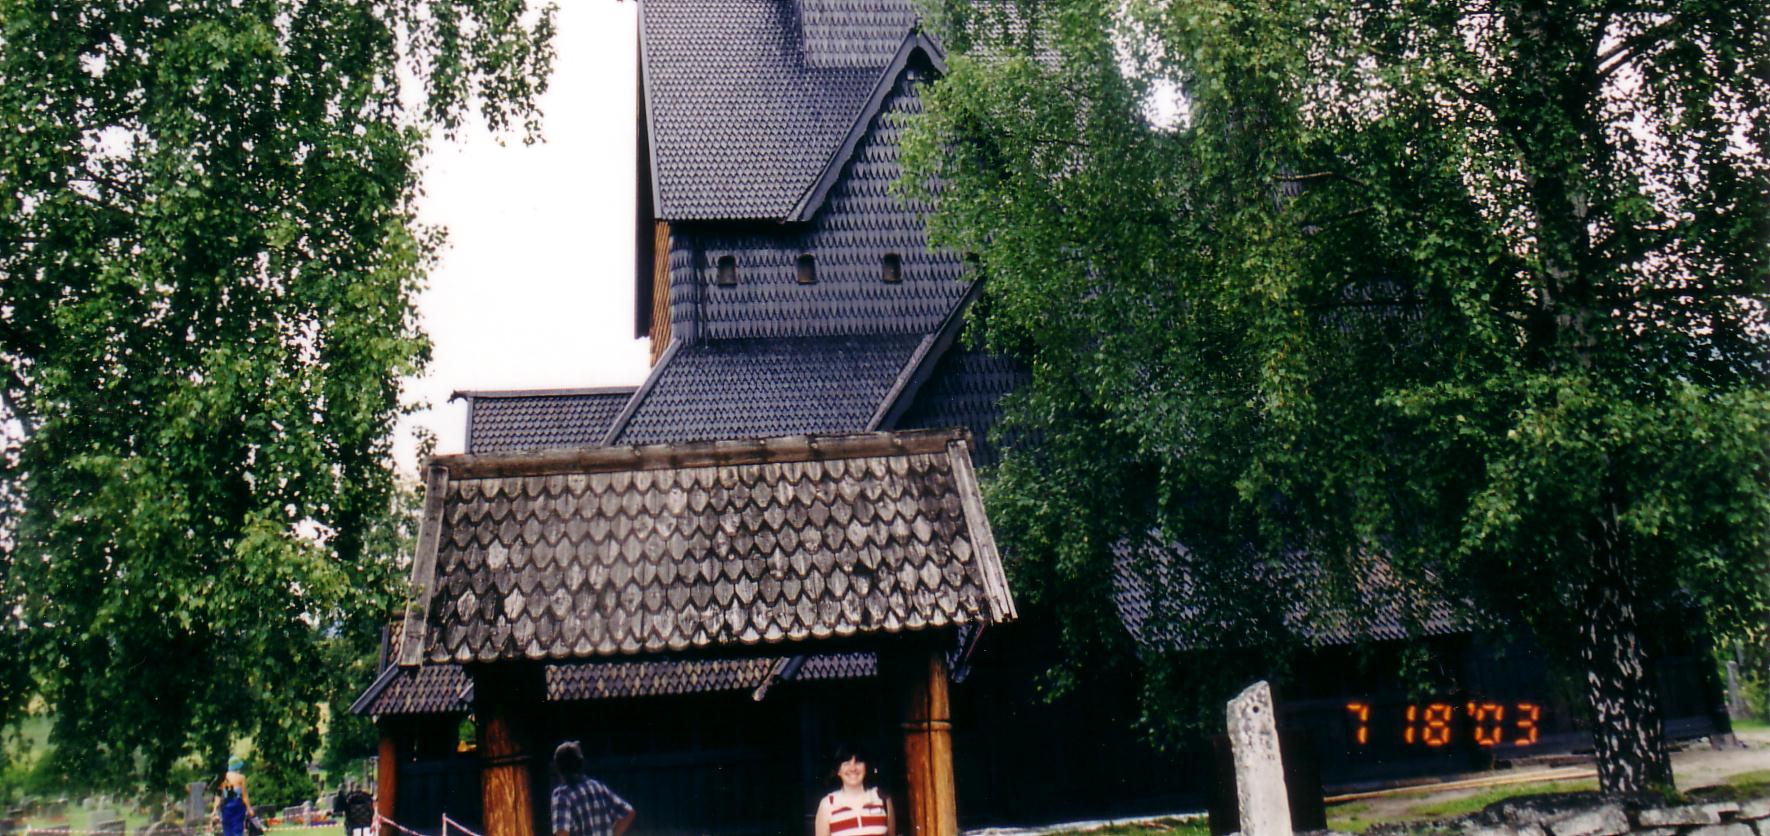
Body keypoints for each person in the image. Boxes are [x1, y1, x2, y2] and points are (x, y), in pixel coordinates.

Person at [550, 740, 634, 836]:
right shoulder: (598, 788)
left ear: (558, 768)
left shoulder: (562, 795)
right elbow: (628, 813)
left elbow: (562, 833)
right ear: (581, 763)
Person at [813, 744, 895, 836]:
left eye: (858, 762)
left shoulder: (882, 798)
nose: (853, 768)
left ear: (866, 767)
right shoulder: (828, 804)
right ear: (838, 770)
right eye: (846, 763)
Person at [209, 756, 251, 836]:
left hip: (226, 806)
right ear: (237, 766)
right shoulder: (241, 778)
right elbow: (244, 796)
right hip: (237, 805)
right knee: (237, 827)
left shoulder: (222, 777)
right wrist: (249, 808)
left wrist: (214, 810)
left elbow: (218, 795)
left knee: (227, 829)